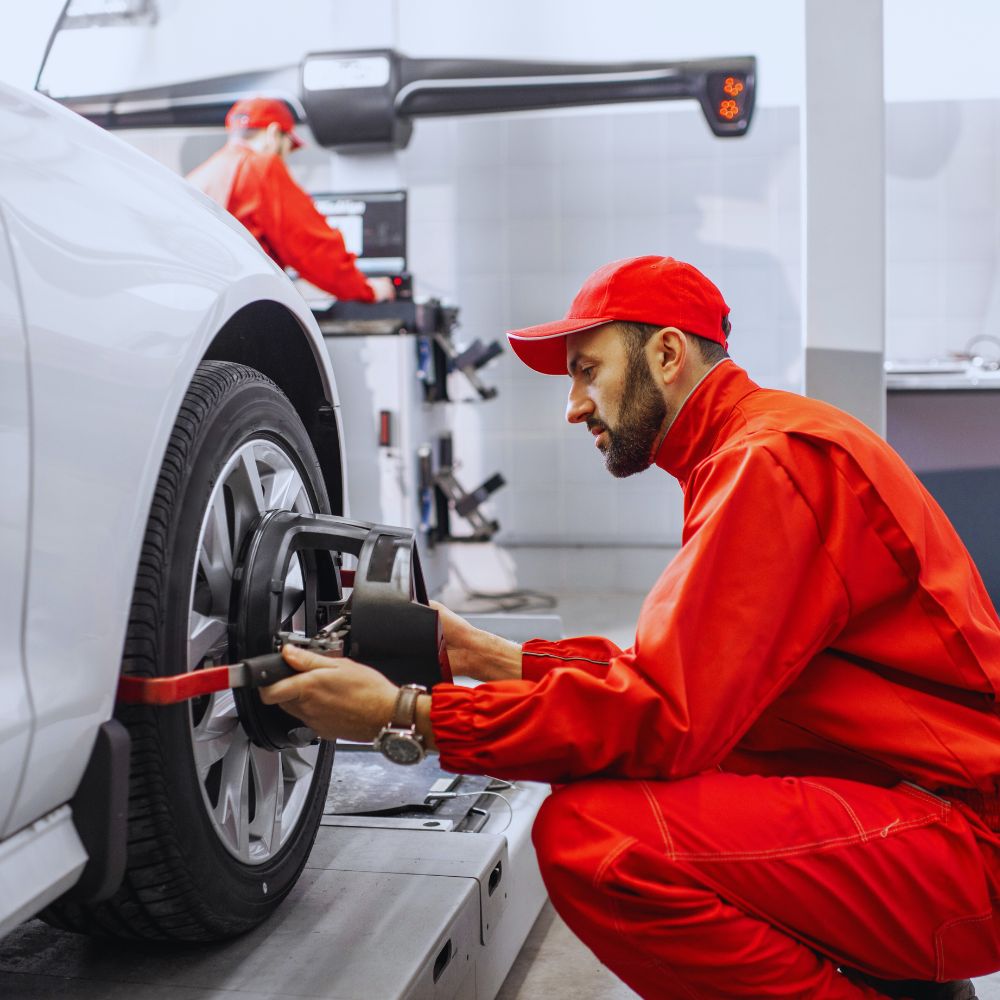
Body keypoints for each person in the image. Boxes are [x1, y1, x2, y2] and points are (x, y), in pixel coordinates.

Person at [261, 255, 1000, 999]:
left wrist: (405, 717)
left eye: (588, 370)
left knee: (594, 838)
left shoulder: (768, 463)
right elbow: (686, 682)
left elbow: (664, 716)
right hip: (926, 803)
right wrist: (481, 652)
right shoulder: (753, 445)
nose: (575, 405)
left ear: (667, 355)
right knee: (662, 775)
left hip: (969, 842)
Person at [187, 97, 393, 303]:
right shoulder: (260, 167)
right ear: (273, 134)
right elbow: (313, 247)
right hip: (245, 307)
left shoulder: (197, 177)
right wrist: (367, 289)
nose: (284, 159)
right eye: (287, 148)